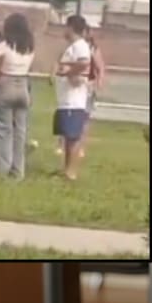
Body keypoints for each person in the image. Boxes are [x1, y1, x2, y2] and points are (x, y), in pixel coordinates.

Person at [0, 12, 37, 178]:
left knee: (4, 129)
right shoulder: (30, 47)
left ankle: (3, 167)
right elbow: (30, 69)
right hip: (23, 84)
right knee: (20, 130)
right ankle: (19, 170)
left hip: (6, 83)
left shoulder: (4, 45)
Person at [54, 14, 93, 180]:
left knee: (73, 138)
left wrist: (68, 72)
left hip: (73, 100)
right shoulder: (72, 47)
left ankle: (71, 172)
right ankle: (66, 169)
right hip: (65, 100)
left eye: (66, 27)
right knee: (67, 137)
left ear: (71, 28)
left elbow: (84, 63)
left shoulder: (80, 46)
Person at [82, 29, 106, 160]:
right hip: (74, 84)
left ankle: (81, 146)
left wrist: (99, 82)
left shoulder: (92, 49)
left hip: (88, 85)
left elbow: (100, 67)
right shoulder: (72, 46)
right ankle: (62, 143)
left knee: (84, 117)